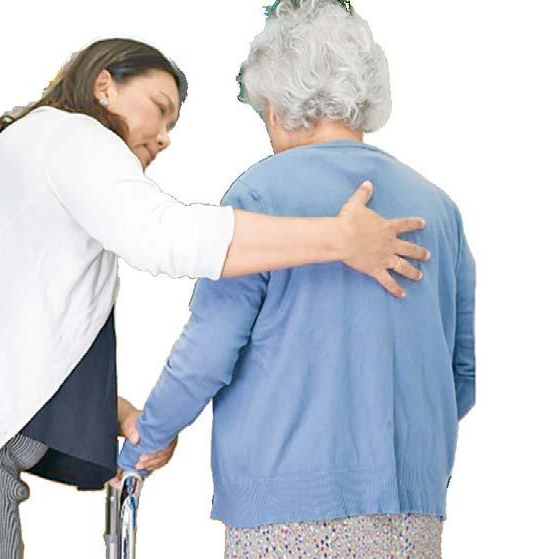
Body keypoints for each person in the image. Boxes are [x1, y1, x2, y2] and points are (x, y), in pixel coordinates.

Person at [0, 36, 429, 558]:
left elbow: (17, 327)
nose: (165, 137)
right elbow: (164, 236)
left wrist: (119, 413)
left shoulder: (44, 156)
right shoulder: (73, 134)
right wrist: (339, 238)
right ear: (105, 86)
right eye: (159, 108)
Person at [118, 2, 475, 557]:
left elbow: (208, 350)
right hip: (414, 514)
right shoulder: (439, 209)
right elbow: (461, 376)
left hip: (285, 515)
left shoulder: (262, 196)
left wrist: (149, 438)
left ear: (278, 103)